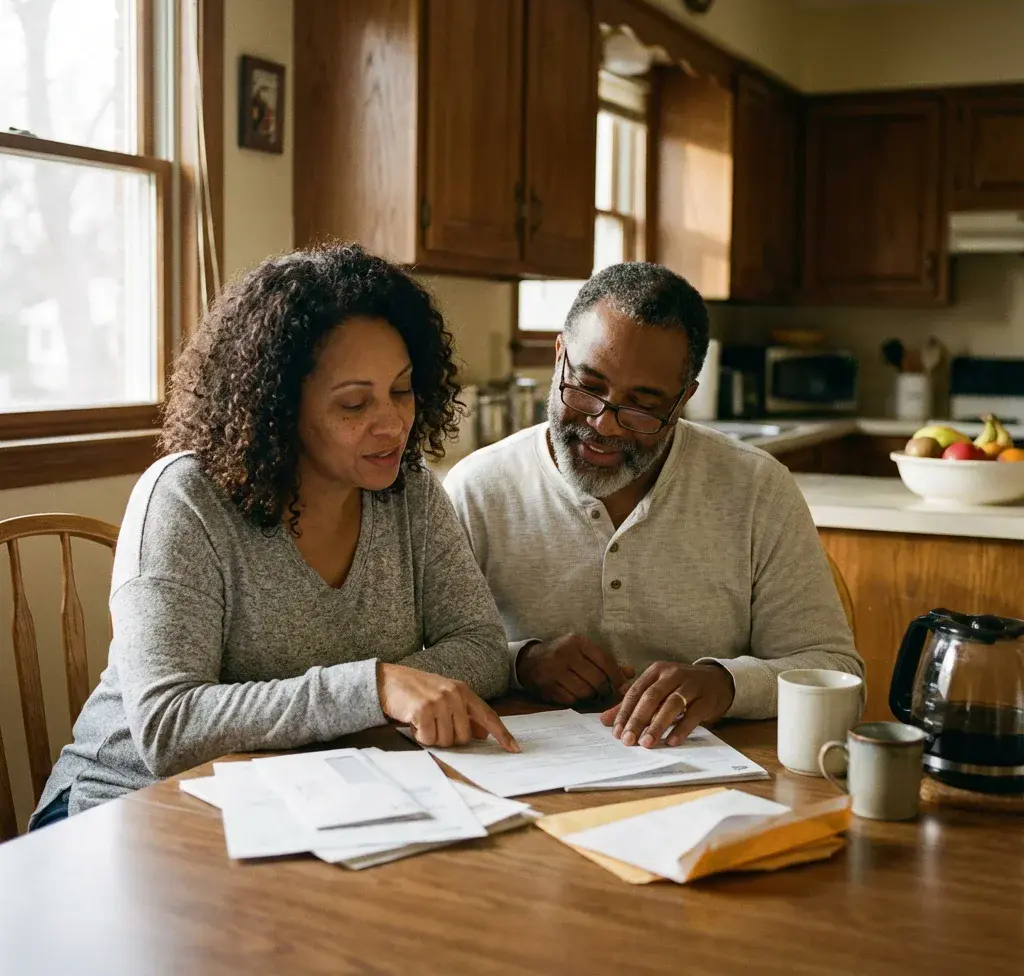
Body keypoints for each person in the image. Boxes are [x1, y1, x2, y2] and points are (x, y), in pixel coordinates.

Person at [30, 244, 517, 830]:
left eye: (402, 389)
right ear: (278, 408)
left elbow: (481, 648)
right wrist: (375, 688)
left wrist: (375, 697)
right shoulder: (186, 498)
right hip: (126, 811)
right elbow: (170, 727)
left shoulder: (412, 494)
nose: (392, 423)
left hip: (314, 791)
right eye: (354, 402)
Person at [444, 261, 863, 751]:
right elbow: (426, 662)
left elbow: (836, 671)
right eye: (588, 388)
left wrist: (725, 685)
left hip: (717, 776)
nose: (604, 425)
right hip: (527, 772)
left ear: (683, 399)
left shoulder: (757, 489)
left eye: (642, 405)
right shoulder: (478, 488)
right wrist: (521, 663)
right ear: (559, 356)